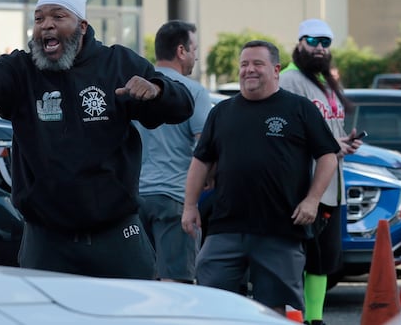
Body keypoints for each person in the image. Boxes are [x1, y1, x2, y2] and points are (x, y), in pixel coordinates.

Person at [0, 0, 194, 279]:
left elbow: (183, 106)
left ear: (81, 26)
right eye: (39, 19)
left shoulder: (116, 63)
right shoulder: (21, 70)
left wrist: (158, 90)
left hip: (116, 235)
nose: (46, 25)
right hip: (46, 241)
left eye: (58, 16)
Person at [181, 40, 340, 316]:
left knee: (273, 310)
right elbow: (201, 160)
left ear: (276, 69)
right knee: (214, 299)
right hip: (226, 228)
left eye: (257, 64)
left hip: (280, 228)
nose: (249, 70)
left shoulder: (299, 109)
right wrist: (190, 205)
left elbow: (328, 156)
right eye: (244, 64)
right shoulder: (222, 112)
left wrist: (313, 200)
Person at [280, 19, 363, 325]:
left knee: (322, 261)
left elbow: (331, 130)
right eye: (313, 41)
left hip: (331, 186)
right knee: (295, 259)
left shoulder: (325, 82)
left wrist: (345, 143)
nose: (318, 48)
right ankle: (293, 317)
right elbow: (285, 135)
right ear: (299, 42)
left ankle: (314, 319)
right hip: (304, 187)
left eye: (325, 43)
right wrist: (330, 145)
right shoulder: (289, 80)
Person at [136, 20, 211, 282]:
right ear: (181, 51)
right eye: (194, 49)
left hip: (134, 199)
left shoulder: (138, 87)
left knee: (139, 285)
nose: (196, 57)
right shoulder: (194, 92)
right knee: (177, 286)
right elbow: (206, 147)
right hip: (175, 199)